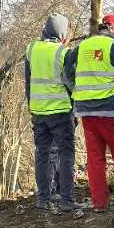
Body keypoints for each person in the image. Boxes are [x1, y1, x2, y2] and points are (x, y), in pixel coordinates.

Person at [64, 12, 114, 210]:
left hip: (87, 113)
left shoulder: (81, 47)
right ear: (113, 28)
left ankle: (99, 204)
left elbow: (66, 75)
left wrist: (78, 92)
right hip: (112, 111)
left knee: (95, 160)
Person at [25, 13, 75, 211]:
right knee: (66, 154)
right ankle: (66, 201)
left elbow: (28, 83)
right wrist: (75, 109)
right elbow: (71, 84)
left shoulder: (31, 49)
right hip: (61, 111)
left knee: (42, 154)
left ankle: (43, 199)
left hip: (38, 112)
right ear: (62, 32)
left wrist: (32, 107)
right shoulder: (64, 52)